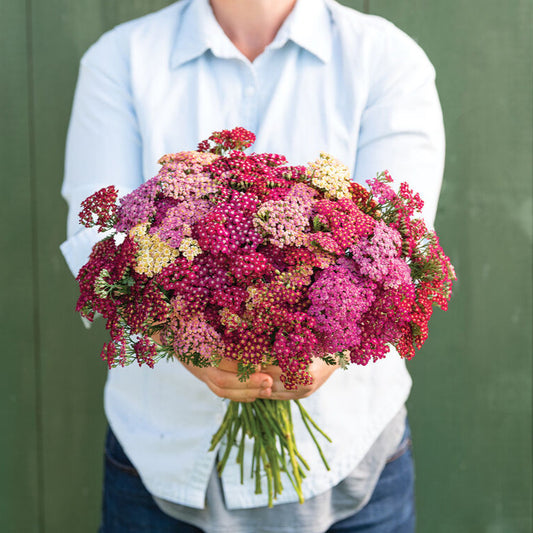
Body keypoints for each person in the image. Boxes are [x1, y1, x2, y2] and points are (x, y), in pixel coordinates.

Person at [60, 0, 445, 531]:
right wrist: (184, 342)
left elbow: (403, 238)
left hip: (351, 461)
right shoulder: (121, 58)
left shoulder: (385, 56)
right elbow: (95, 241)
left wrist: (328, 346)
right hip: (161, 455)